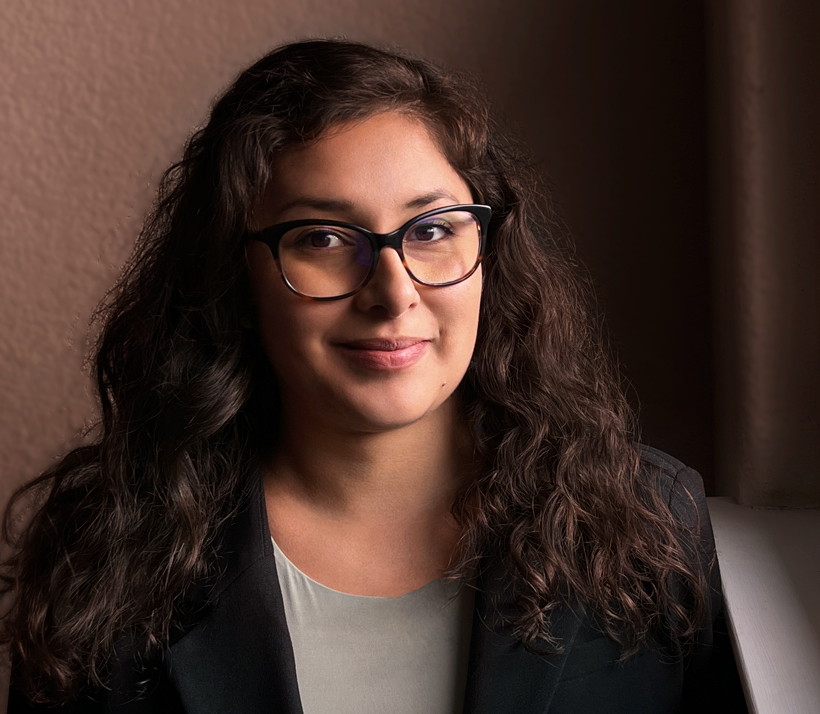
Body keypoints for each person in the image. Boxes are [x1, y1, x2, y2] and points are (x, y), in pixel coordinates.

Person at [1, 39, 746, 712]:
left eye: (431, 230)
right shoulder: (105, 553)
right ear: (236, 278)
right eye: (324, 238)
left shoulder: (649, 526)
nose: (393, 291)